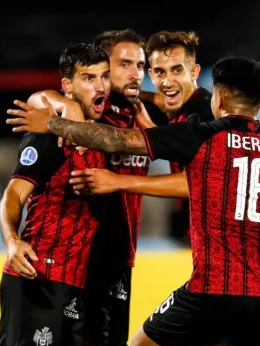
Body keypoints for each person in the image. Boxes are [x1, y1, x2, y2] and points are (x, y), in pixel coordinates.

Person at [6, 55, 260, 346]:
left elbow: (117, 140)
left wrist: (55, 124)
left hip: (214, 288)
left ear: (221, 98)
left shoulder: (203, 135)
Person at [27, 29, 167, 346]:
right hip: (82, 258)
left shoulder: (140, 118)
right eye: (124, 65)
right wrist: (63, 104)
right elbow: (37, 98)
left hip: (122, 258)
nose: (136, 74)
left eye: (141, 66)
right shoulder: (92, 112)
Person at [0, 42, 110, 346]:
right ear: (68, 86)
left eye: (105, 76)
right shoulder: (48, 136)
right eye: (89, 78)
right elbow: (14, 193)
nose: (100, 86)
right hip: (39, 276)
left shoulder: (105, 134)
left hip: (77, 285)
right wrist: (11, 241)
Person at [70, 30, 214, 246]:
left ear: (194, 72)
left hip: (222, 242)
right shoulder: (87, 110)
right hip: (84, 250)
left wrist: (117, 181)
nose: (167, 81)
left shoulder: (202, 116)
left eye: (176, 70)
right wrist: (65, 106)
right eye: (159, 72)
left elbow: (198, 183)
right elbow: (43, 100)